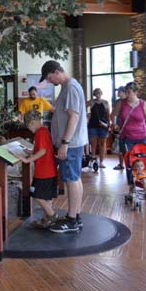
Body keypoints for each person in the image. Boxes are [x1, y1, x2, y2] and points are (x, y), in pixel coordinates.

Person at [39, 60, 88, 233]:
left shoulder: (71, 87)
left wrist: (64, 143)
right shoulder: (67, 87)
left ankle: (72, 220)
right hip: (72, 143)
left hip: (71, 144)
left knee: (71, 180)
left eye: (49, 77)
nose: (50, 81)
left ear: (56, 72)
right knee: (74, 178)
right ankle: (76, 216)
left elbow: (73, 117)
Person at [17, 110, 58, 229]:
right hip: (50, 171)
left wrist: (27, 160)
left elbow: (43, 151)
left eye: (28, 126)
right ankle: (47, 219)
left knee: (37, 195)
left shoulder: (40, 133)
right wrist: (31, 151)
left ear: (33, 122)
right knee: (46, 197)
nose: (29, 129)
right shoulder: (44, 131)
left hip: (44, 172)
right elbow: (43, 149)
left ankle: (52, 215)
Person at [112, 81, 146, 158]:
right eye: (126, 92)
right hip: (126, 137)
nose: (127, 94)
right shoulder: (121, 103)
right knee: (129, 161)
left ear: (135, 92)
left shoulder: (144, 105)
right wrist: (114, 124)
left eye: (129, 92)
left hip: (141, 137)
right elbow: (113, 115)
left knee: (141, 161)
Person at [86, 88, 111, 169]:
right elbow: (82, 106)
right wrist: (87, 115)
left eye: (99, 93)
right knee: (93, 144)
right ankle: (92, 160)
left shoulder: (105, 102)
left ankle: (101, 162)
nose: (97, 95)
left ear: (101, 94)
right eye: (96, 94)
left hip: (103, 125)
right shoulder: (92, 102)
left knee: (102, 144)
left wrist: (109, 124)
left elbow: (108, 114)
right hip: (93, 125)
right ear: (94, 94)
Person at [110, 86, 127, 170]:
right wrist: (113, 124)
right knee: (120, 146)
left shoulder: (128, 101)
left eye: (119, 92)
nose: (117, 93)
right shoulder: (117, 102)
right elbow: (113, 114)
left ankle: (129, 164)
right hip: (119, 126)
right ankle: (121, 163)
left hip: (127, 126)